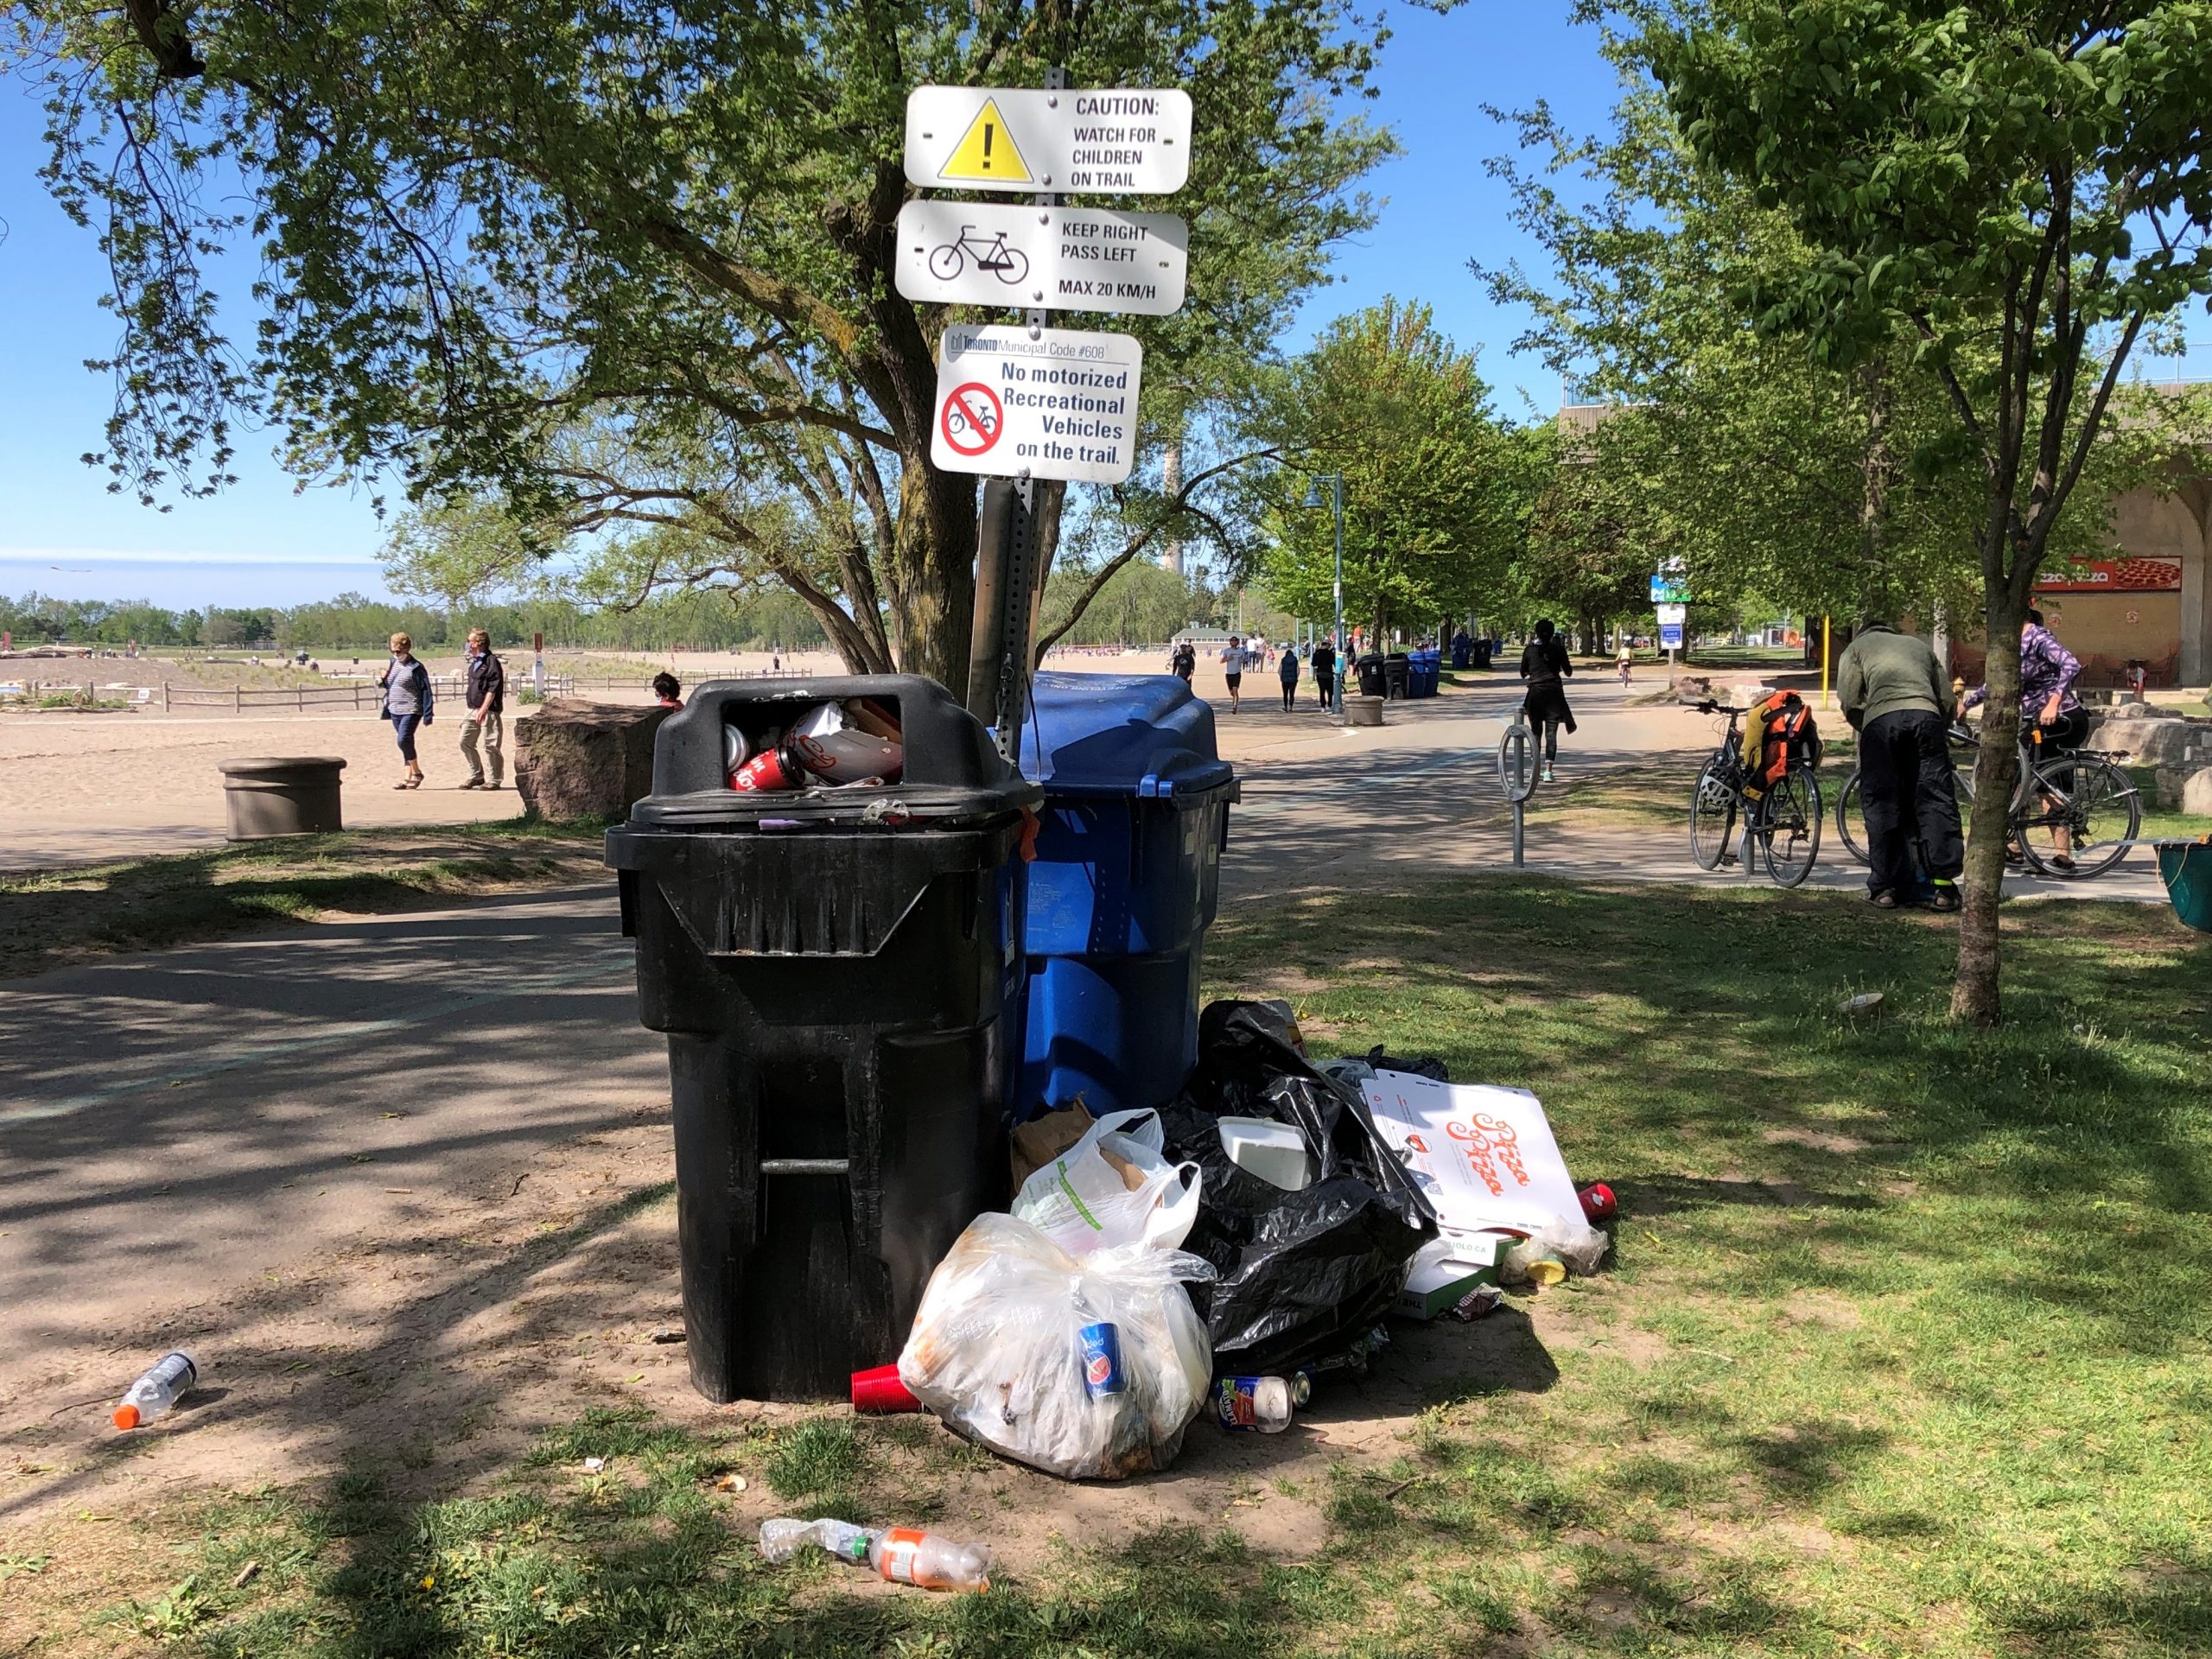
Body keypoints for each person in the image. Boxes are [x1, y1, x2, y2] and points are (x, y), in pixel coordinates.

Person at [1837, 618, 1963, 911]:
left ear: (1865, 631)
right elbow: (1946, 698)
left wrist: (1866, 725)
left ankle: (1885, 888)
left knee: (1882, 802)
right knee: (1935, 800)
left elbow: (1850, 700)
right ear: (1893, 632)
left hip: (1882, 723)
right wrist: (1938, 729)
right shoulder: (1919, 646)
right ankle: (1943, 889)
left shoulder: (1856, 649)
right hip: (1926, 718)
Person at [1961, 608, 2086, 870]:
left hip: (2060, 719)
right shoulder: (2013, 646)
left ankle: (2061, 856)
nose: (1991, 622)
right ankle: (2015, 848)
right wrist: (1966, 704)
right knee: (2022, 779)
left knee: (2042, 784)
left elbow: (2070, 663)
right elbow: (1995, 684)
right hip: (2040, 721)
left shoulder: (2038, 637)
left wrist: (2053, 702)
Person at [1518, 619, 1576, 784]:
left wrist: (1533, 670)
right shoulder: (1559, 650)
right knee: (1551, 734)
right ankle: (1548, 772)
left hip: (1535, 694)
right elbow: (1569, 672)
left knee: (1536, 732)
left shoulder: (1529, 651)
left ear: (1536, 633)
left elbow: (1522, 673)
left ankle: (1534, 771)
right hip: (1554, 694)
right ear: (1552, 634)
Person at [378, 632, 433, 789]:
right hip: (394, 709)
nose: (396, 654)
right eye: (393, 651)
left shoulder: (416, 667)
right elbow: (388, 685)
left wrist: (428, 713)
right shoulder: (391, 664)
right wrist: (382, 679)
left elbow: (426, 690)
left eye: (399, 651)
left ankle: (417, 772)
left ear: (406, 649)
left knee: (403, 739)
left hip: (412, 709)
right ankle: (408, 776)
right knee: (406, 743)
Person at [1220, 634, 1247, 714]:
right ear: (1230, 642)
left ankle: (1234, 707)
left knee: (1235, 690)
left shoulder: (1240, 651)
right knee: (1231, 692)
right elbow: (1221, 661)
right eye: (1232, 641)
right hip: (1229, 673)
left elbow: (1244, 660)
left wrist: (1243, 661)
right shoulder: (1226, 651)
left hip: (1237, 673)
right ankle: (1235, 698)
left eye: (1235, 641)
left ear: (1237, 642)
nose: (1234, 642)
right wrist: (1227, 659)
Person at [1310, 637, 1338, 711]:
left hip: (1320, 673)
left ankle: (1323, 705)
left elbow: (1313, 664)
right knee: (1330, 690)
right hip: (1329, 673)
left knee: (1322, 690)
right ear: (1328, 645)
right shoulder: (1330, 653)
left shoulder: (1317, 653)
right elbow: (1334, 663)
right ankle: (1330, 704)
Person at [1278, 643, 1300, 711]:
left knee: (1285, 694)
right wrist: (1296, 677)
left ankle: (1285, 707)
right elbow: (1298, 670)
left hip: (1285, 680)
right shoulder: (1295, 660)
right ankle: (1291, 707)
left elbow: (1279, 670)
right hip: (1293, 680)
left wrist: (1281, 677)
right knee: (1292, 693)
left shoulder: (1283, 660)